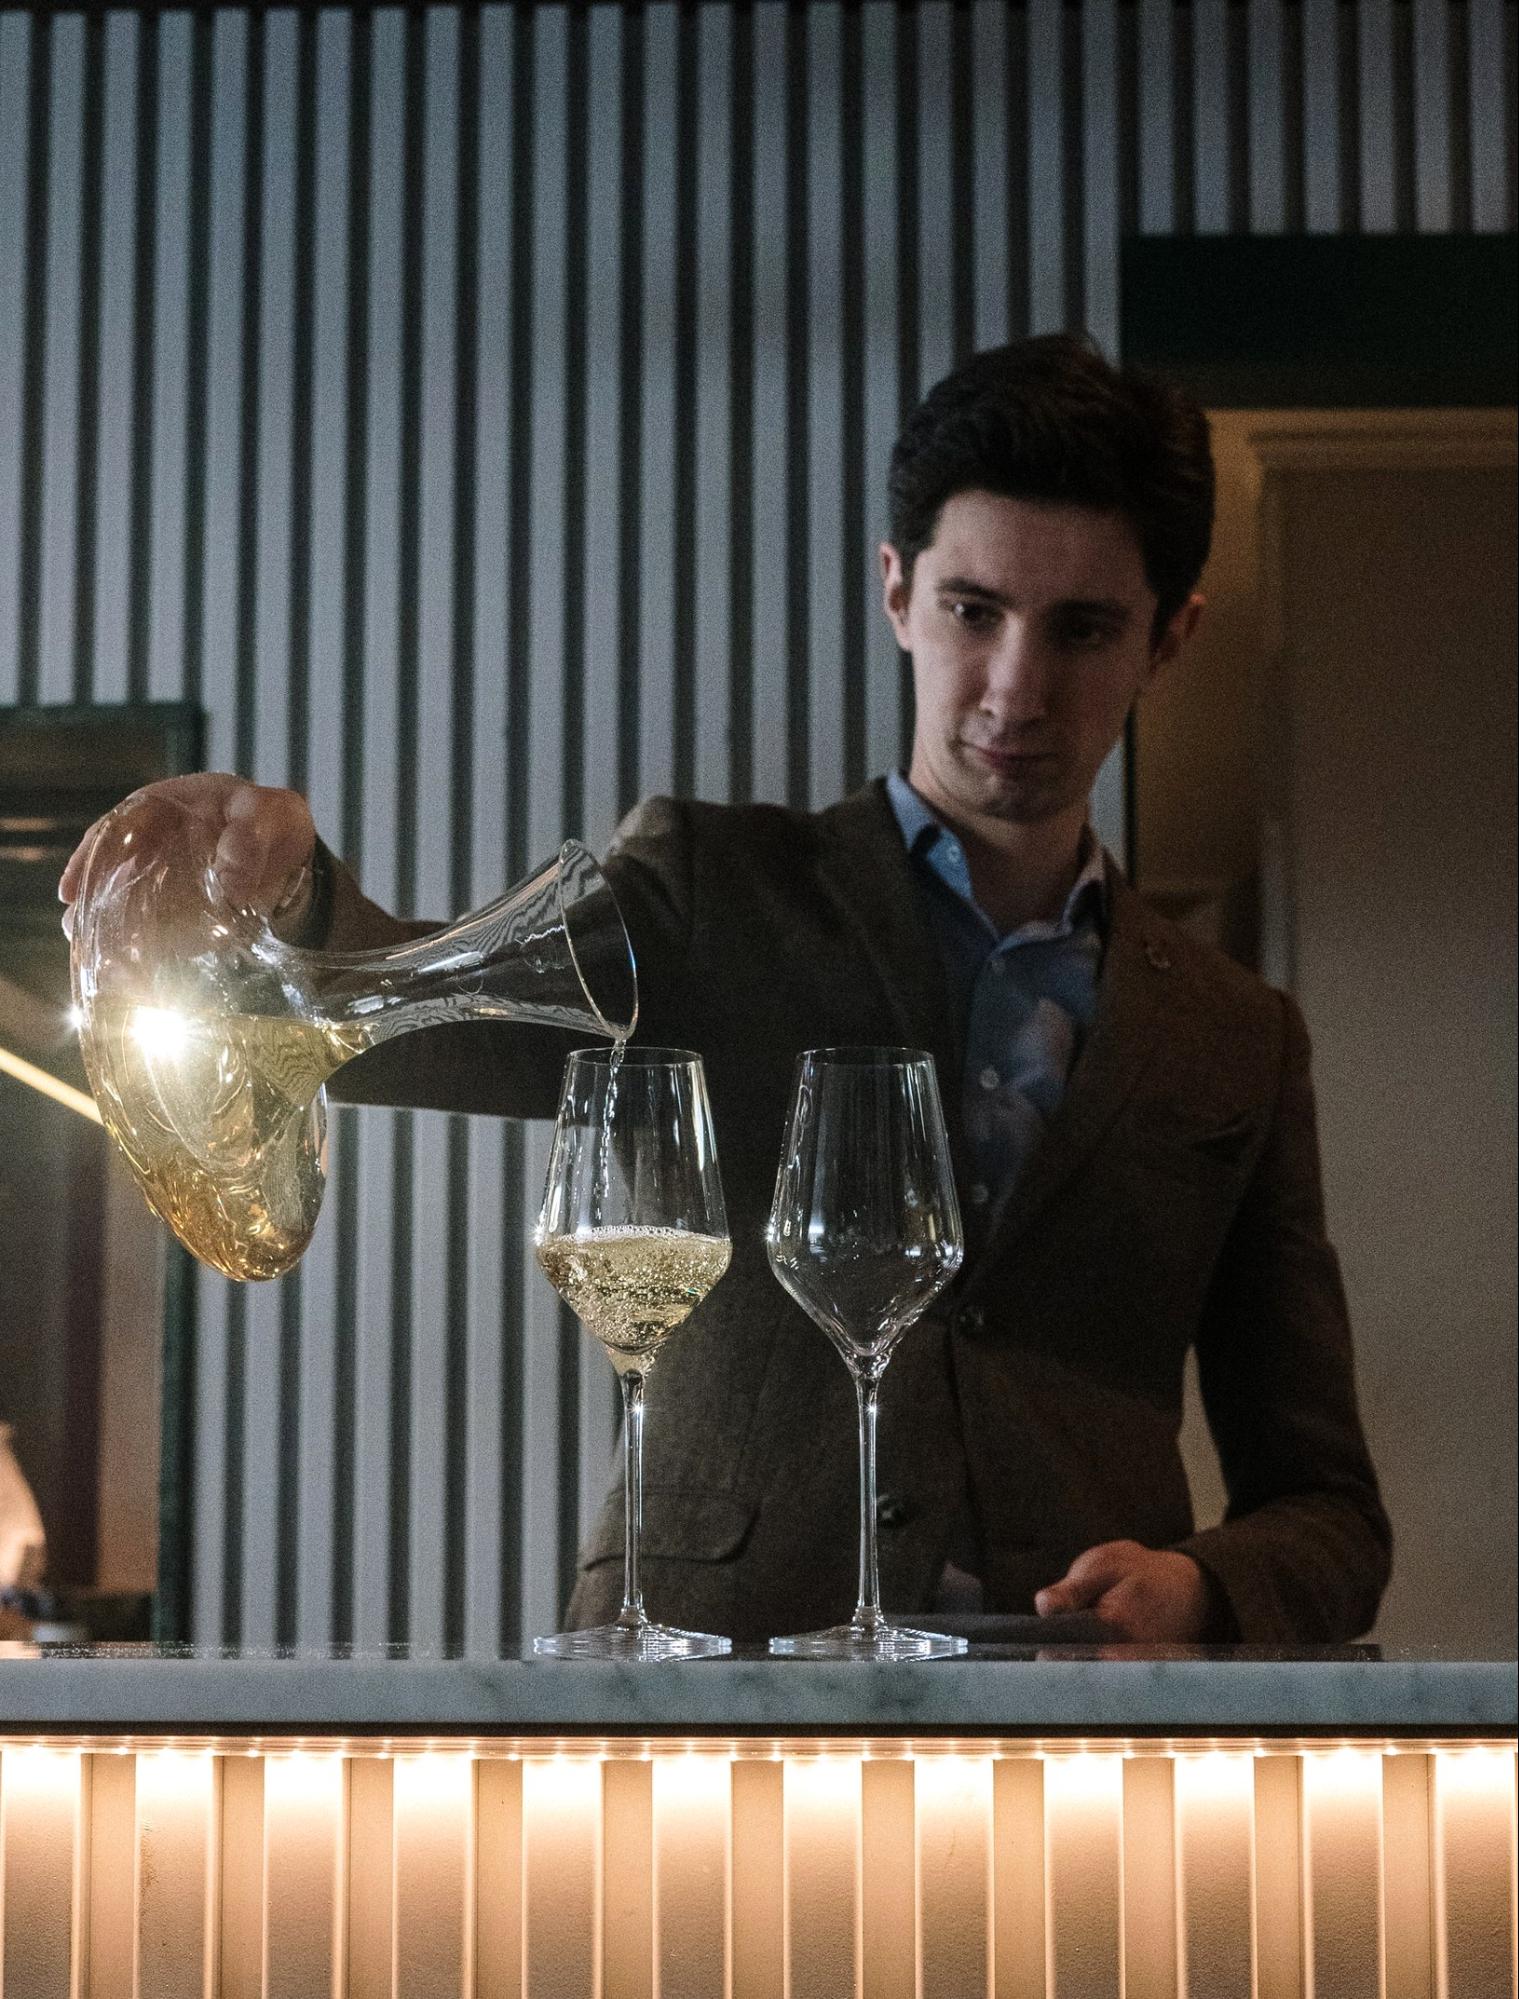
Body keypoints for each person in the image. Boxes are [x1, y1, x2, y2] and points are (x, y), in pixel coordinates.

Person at [60, 335, 1391, 1644]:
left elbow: (1330, 1512)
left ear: (1171, 638)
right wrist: (290, 895)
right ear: (896, 592)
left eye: (1083, 629)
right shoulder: (715, 889)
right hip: (714, 1678)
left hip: (1077, 1714)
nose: (1014, 688)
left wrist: (1205, 1590)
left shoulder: (1238, 1037)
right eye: (972, 611)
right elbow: (427, 1021)